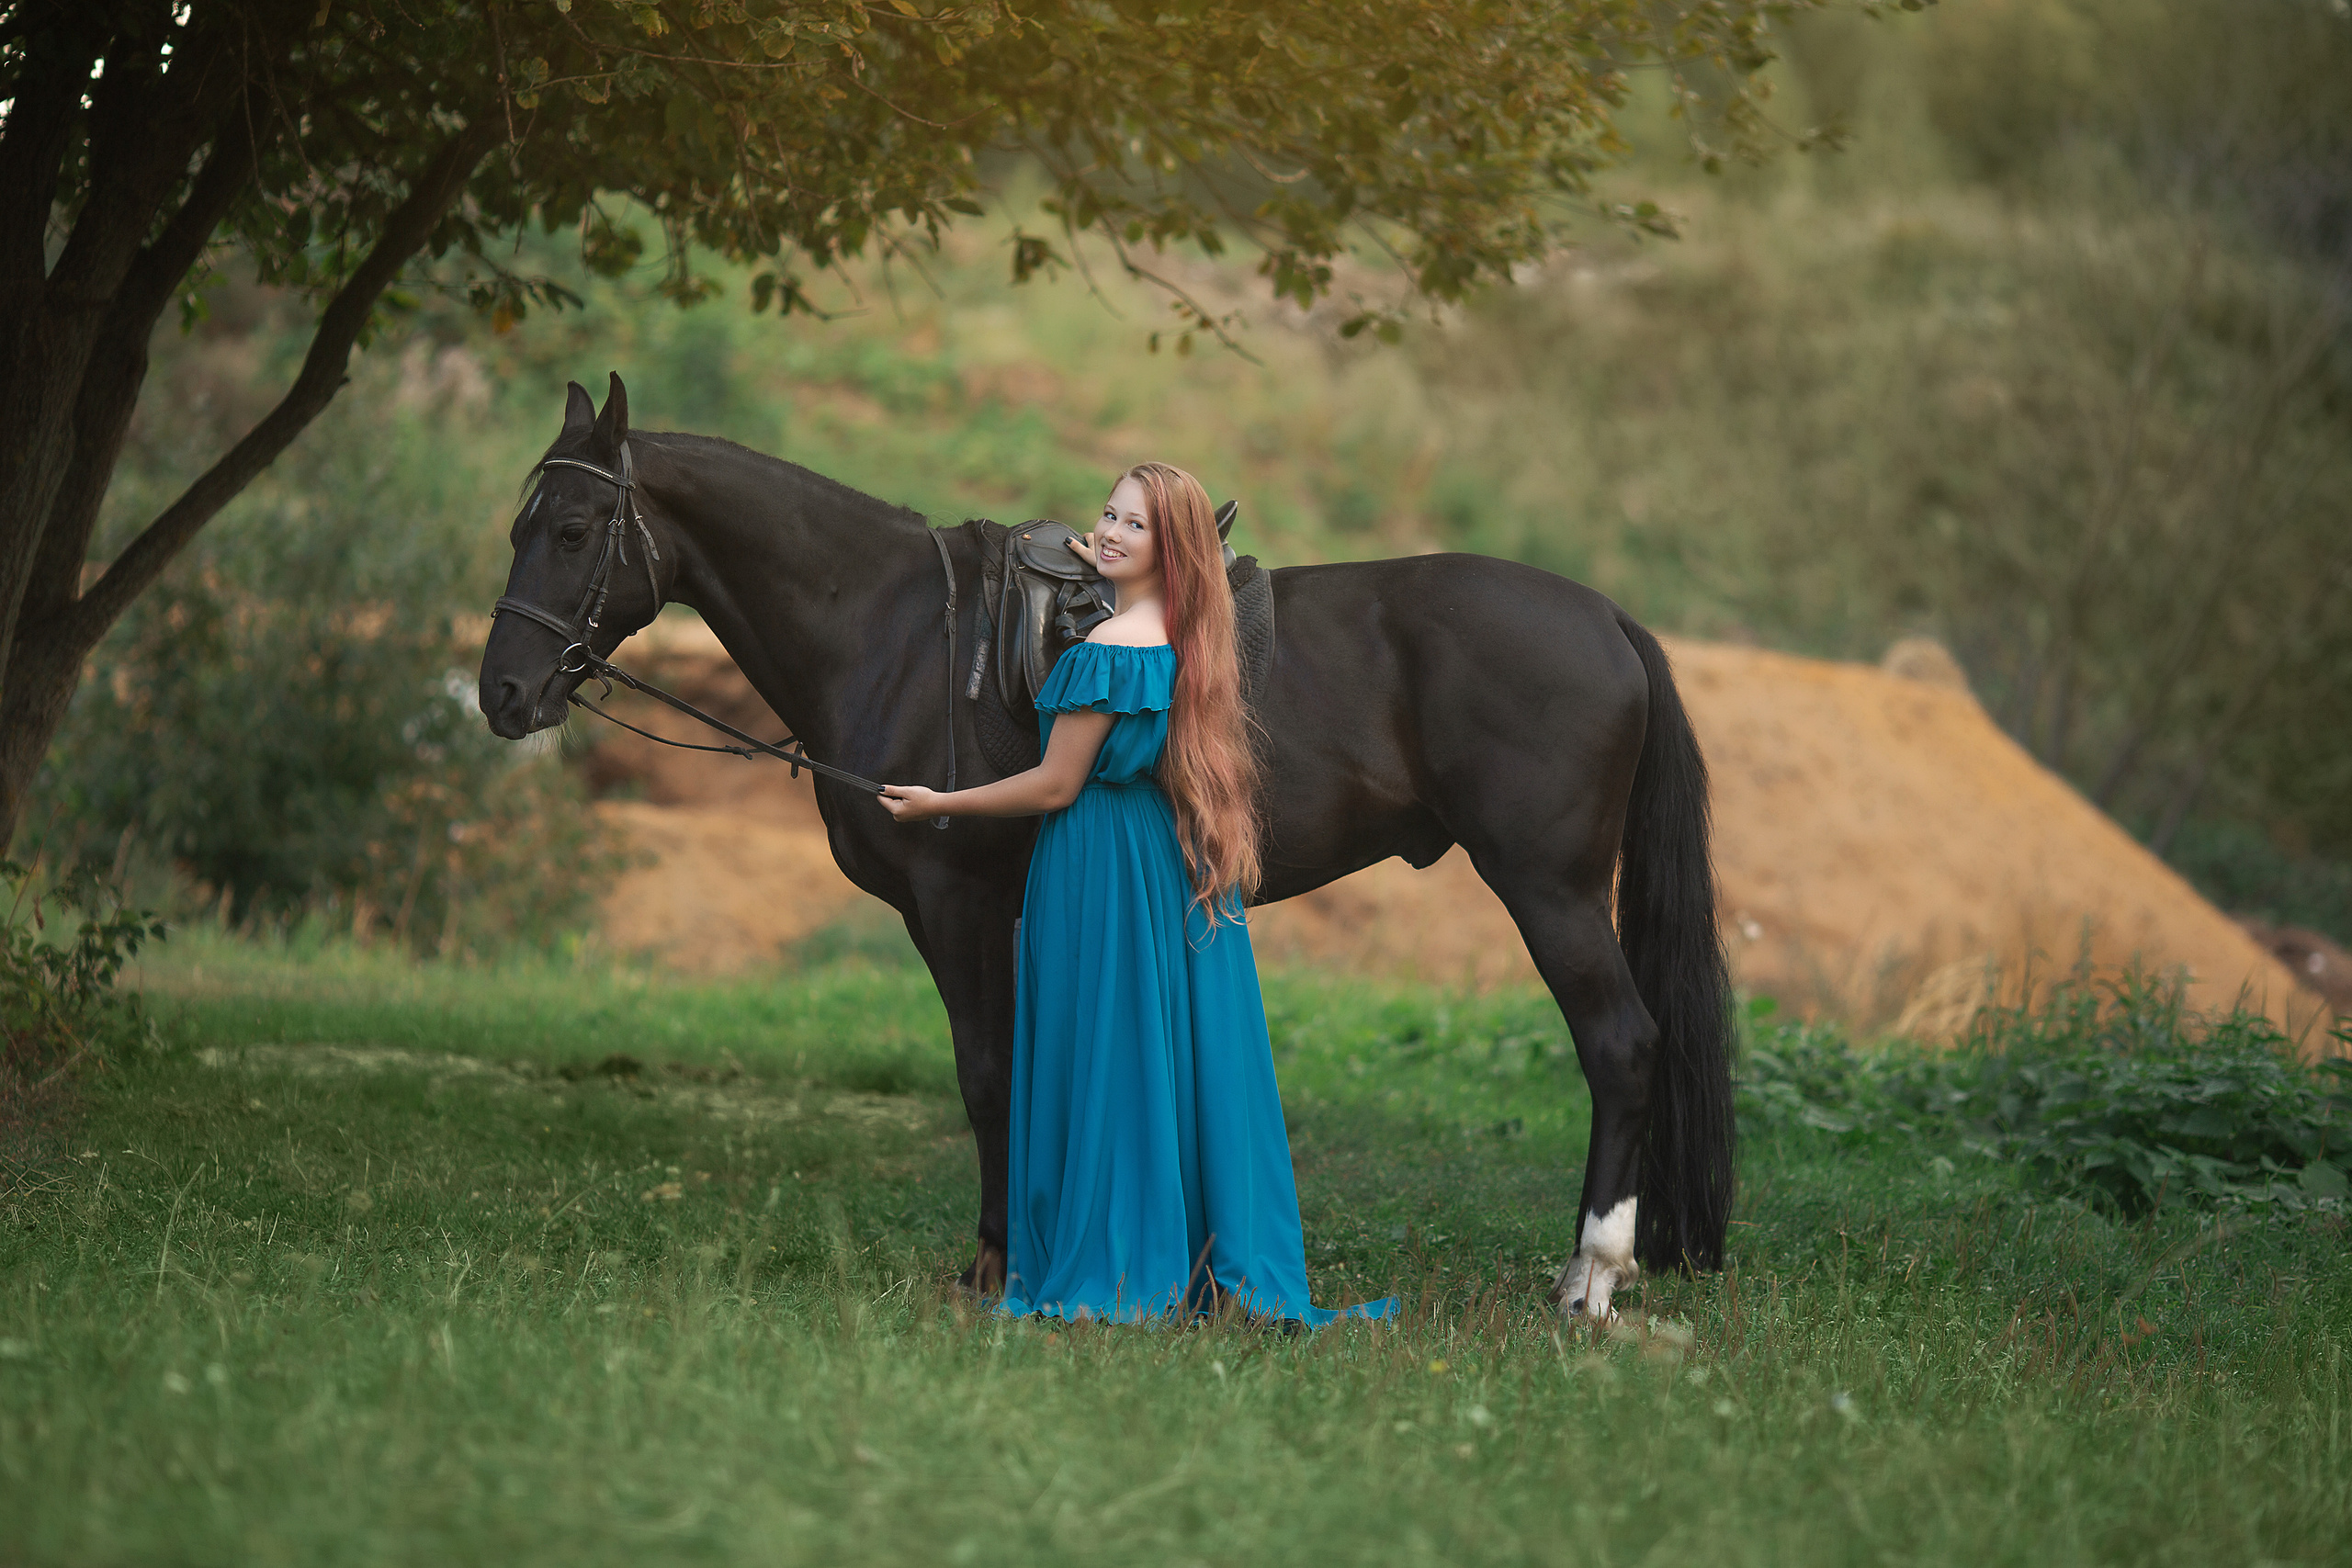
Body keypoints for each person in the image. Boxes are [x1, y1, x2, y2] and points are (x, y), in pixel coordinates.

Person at [879, 464, 1395, 1327]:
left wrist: (941, 803)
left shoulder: (1106, 655)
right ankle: (1198, 1254)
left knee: (1107, 1052)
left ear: (1175, 548)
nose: (1110, 533)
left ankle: (1116, 1262)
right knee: (1171, 1051)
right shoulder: (1187, 638)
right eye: (1107, 516)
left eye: (1136, 527)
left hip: (1098, 863)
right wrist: (1115, 565)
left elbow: (1052, 786)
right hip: (1164, 856)